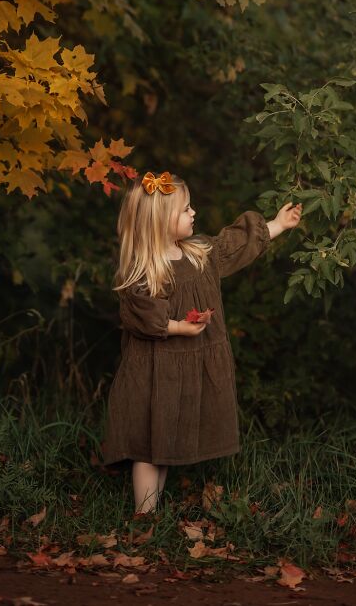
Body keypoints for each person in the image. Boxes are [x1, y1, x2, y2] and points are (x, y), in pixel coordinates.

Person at [100, 169, 303, 515]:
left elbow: (233, 246)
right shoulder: (146, 269)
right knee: (149, 446)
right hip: (157, 372)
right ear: (160, 222)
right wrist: (179, 326)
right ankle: (144, 516)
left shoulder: (199, 253)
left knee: (164, 443)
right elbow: (141, 315)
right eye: (185, 209)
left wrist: (278, 224)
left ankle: (151, 512)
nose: (193, 213)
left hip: (187, 368)